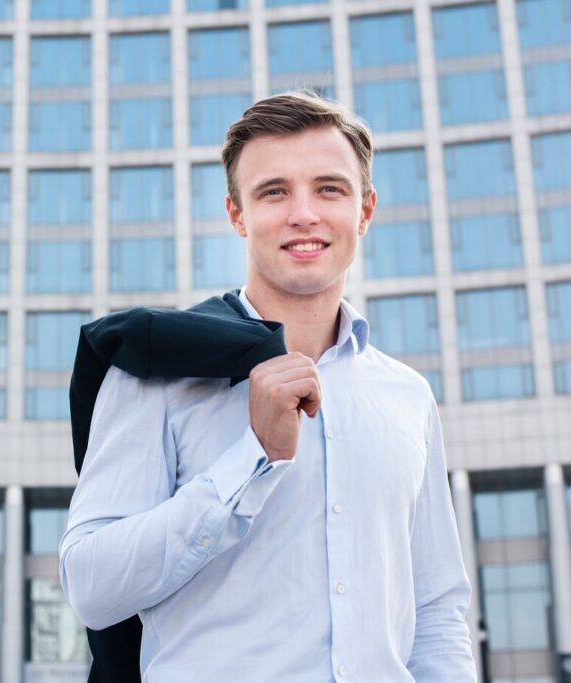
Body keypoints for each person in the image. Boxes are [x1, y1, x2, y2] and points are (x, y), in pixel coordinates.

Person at [59, 92, 477, 681]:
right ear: (237, 214)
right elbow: (91, 586)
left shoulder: (407, 396)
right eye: (274, 192)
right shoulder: (154, 371)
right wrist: (252, 459)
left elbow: (435, 611)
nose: (303, 214)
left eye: (329, 189)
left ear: (365, 210)